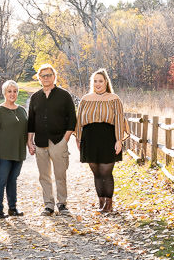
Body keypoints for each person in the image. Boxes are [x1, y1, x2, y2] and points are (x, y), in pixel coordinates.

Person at [74, 68, 128, 213]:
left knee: (106, 172)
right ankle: (101, 203)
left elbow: (119, 120)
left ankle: (109, 205)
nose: (97, 84)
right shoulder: (85, 99)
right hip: (89, 138)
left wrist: (119, 140)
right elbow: (79, 120)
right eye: (95, 81)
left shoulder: (114, 98)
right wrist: (78, 138)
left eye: (100, 81)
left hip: (108, 137)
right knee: (96, 172)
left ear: (106, 82)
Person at [26, 63, 77, 215]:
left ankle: (62, 204)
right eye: (43, 76)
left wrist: (65, 140)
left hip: (58, 141)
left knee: (60, 174)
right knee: (44, 175)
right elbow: (31, 122)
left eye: (49, 75)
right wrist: (30, 141)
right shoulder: (35, 97)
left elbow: (72, 119)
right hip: (40, 142)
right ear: (39, 79)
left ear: (54, 77)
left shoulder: (64, 95)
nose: (46, 78)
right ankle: (48, 205)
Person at [0, 80, 28, 219]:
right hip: (2, 153)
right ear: (4, 93)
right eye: (9, 91)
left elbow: (26, 131)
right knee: (1, 180)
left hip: (17, 152)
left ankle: (13, 208)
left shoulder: (22, 110)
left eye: (15, 91)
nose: (12, 94)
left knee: (13, 180)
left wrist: (30, 144)